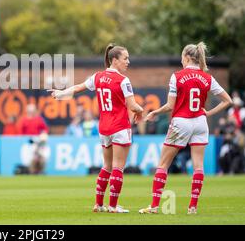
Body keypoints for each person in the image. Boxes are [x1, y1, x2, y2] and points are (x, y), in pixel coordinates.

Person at [139, 42, 232, 215]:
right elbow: (228, 100)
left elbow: (170, 105)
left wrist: (154, 113)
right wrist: (208, 113)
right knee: (198, 167)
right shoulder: (207, 78)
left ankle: (154, 206)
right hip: (200, 123)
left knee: (163, 164)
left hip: (181, 122)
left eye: (182, 57)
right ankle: (192, 207)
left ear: (187, 57)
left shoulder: (177, 76)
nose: (181, 60)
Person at [50, 44, 144, 213]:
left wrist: (60, 94)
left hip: (104, 128)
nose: (128, 62)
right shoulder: (123, 80)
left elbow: (77, 88)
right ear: (114, 60)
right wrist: (141, 110)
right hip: (120, 126)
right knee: (117, 167)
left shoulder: (98, 77)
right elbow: (132, 105)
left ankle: (98, 204)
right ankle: (113, 206)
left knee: (106, 166)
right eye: (125, 58)